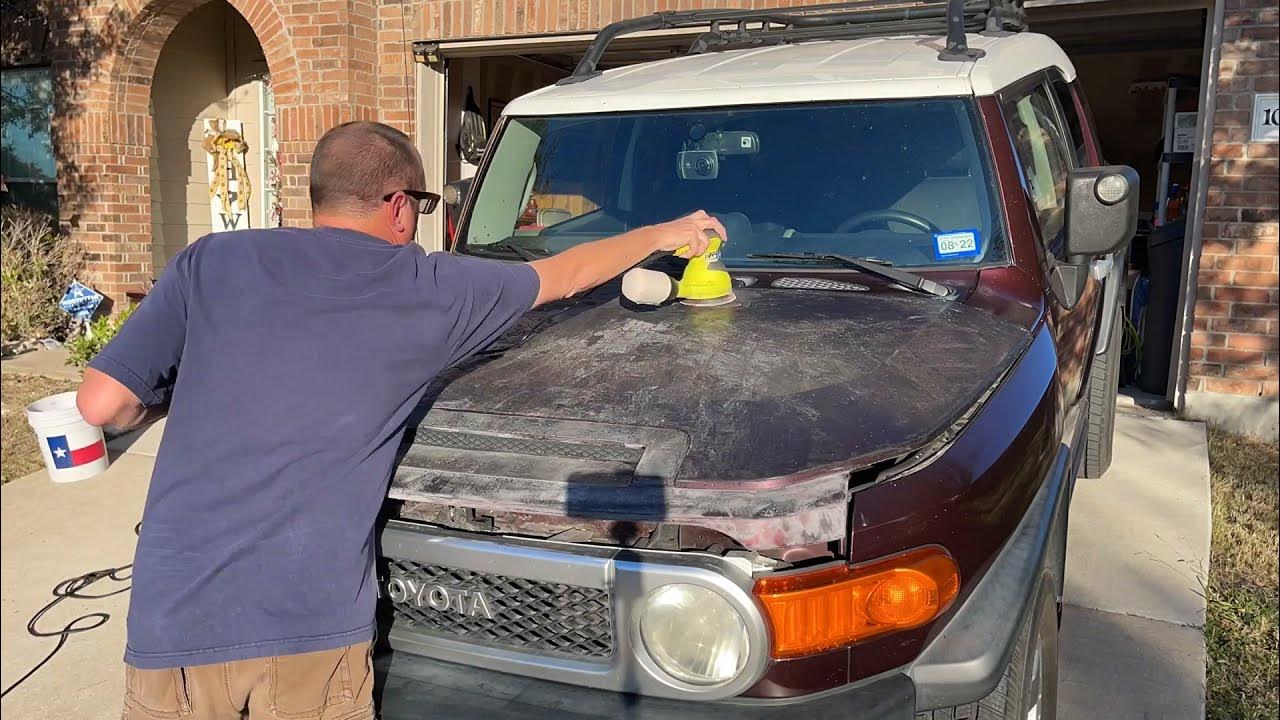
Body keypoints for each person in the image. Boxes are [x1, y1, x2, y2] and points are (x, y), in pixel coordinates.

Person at [76, 120, 725, 720]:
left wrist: (168, 396)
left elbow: (100, 405)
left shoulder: (211, 260)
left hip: (175, 621)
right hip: (308, 628)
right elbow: (562, 275)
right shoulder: (430, 288)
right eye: (422, 203)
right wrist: (663, 235)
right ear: (397, 204)